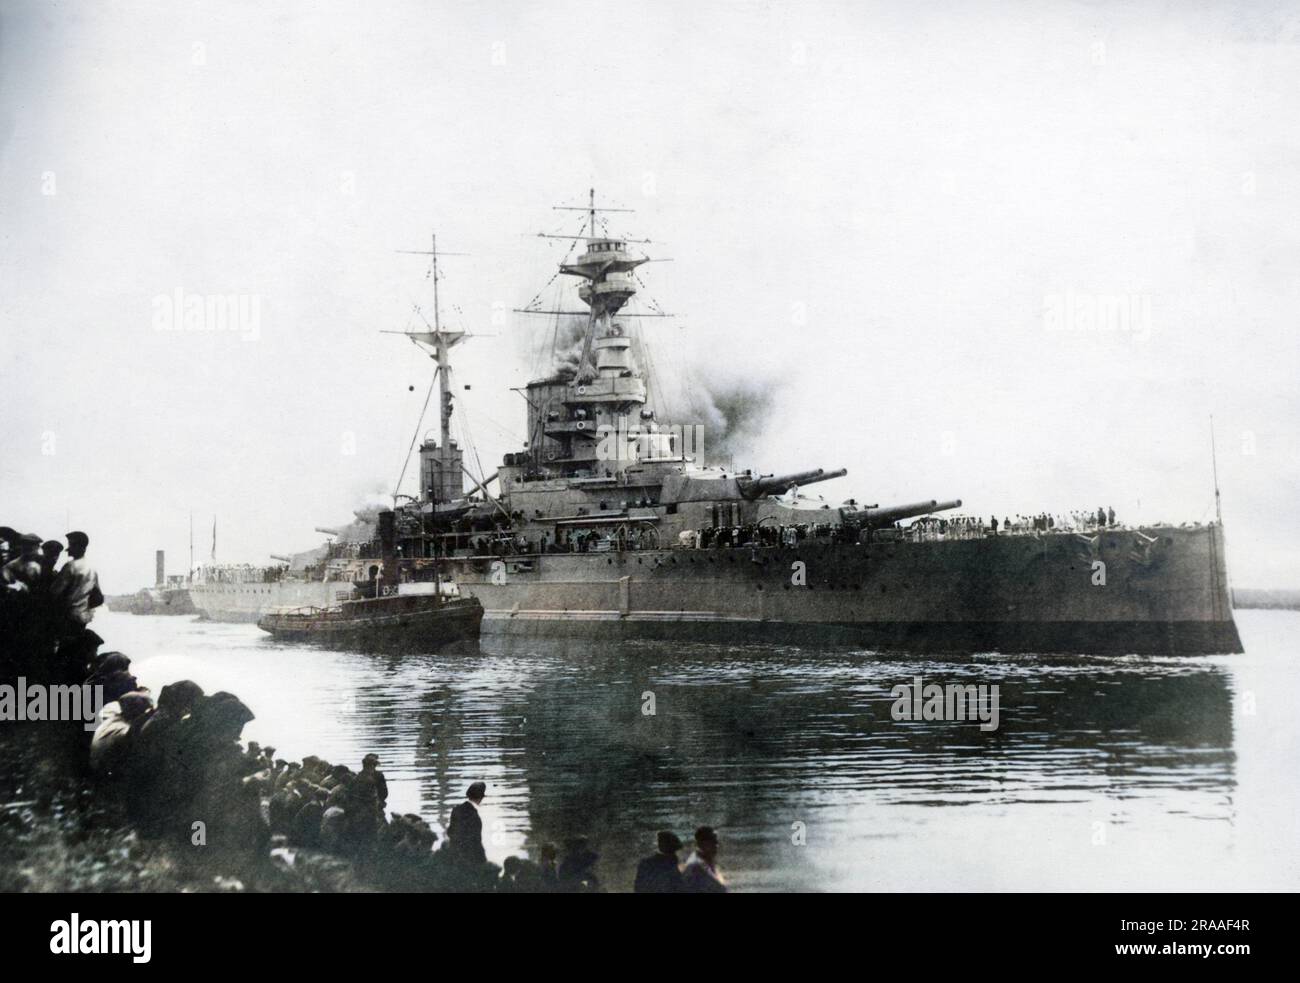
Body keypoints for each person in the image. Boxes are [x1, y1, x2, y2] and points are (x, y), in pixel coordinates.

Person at [50, 531, 102, 628]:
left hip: (67, 618)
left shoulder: (70, 566)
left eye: (71, 545)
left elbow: (54, 592)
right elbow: (99, 598)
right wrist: (84, 606)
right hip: (83, 619)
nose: (68, 549)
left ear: (79, 547)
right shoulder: (92, 569)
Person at [446, 781, 487, 866]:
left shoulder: (456, 810)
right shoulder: (474, 816)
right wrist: (483, 861)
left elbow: (450, 832)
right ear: (481, 798)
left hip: (454, 856)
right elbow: (476, 841)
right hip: (470, 859)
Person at [682, 826, 727, 893]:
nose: (716, 845)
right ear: (700, 844)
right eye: (713, 842)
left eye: (716, 842)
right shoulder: (693, 868)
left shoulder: (709, 863)